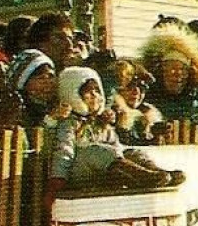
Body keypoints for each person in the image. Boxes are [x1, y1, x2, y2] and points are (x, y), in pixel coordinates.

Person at [48, 67, 184, 192]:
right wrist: (58, 180)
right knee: (96, 151)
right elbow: (64, 151)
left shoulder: (100, 122)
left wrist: (125, 153)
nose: (95, 95)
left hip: (100, 171)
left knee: (132, 152)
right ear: (73, 94)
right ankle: (142, 177)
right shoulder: (69, 122)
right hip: (76, 173)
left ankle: (157, 173)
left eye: (97, 91)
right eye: (88, 92)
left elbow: (116, 146)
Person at [141, 22, 198, 125]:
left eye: (183, 69)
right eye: (172, 69)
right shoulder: (146, 97)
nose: (178, 74)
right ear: (160, 71)